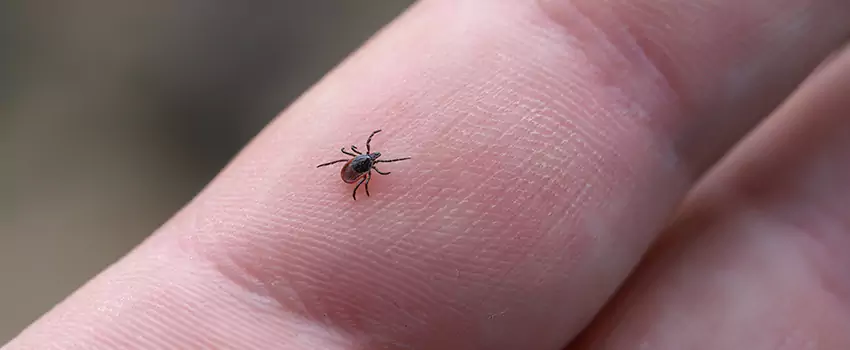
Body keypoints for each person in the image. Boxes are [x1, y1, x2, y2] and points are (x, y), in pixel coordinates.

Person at [7, 0, 850, 348]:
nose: (363, 164)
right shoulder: (364, 166)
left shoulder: (361, 163)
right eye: (361, 163)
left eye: (363, 162)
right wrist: (365, 170)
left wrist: (362, 168)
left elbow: (359, 162)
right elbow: (361, 164)